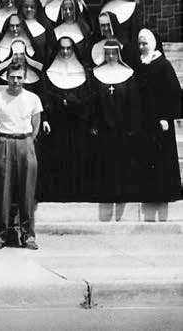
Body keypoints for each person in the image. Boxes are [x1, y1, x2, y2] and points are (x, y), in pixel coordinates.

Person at [0, 65, 42, 250]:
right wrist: (5, 142)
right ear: (6, 77)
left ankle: (28, 236)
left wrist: (26, 142)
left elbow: (36, 125)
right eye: (12, 77)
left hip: (25, 143)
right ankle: (1, 235)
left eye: (19, 77)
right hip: (4, 142)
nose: (16, 81)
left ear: (25, 78)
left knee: (27, 193)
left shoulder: (33, 99)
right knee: (3, 191)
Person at [38, 36, 94, 202]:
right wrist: (46, 118)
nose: (65, 51)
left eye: (69, 48)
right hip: (57, 126)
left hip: (78, 125)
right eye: (62, 48)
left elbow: (89, 99)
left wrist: (73, 103)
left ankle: (78, 193)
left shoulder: (83, 72)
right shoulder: (49, 73)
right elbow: (43, 98)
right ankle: (59, 193)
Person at [134, 29, 181, 203]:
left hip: (160, 121)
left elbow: (173, 93)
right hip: (144, 120)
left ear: (152, 44)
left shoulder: (163, 65)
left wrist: (166, 116)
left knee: (161, 159)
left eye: (144, 43)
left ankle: (164, 193)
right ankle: (147, 193)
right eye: (139, 43)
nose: (141, 47)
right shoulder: (139, 64)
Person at [91, 41, 140, 202]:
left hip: (123, 127)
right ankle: (106, 193)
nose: (110, 56)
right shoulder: (97, 74)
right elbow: (94, 102)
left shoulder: (128, 73)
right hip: (104, 127)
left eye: (113, 53)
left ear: (118, 54)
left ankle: (124, 193)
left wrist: (132, 124)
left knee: (123, 161)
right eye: (107, 53)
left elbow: (133, 102)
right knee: (106, 161)